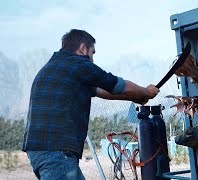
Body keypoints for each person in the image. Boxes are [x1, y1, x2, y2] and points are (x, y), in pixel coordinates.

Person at [22, 29, 159, 180]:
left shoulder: (53, 68)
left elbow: (104, 91)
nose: (92, 59)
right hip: (57, 149)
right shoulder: (79, 65)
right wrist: (146, 92)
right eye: (92, 52)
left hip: (39, 149)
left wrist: (136, 97)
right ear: (82, 48)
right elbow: (118, 85)